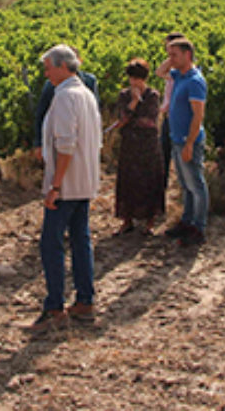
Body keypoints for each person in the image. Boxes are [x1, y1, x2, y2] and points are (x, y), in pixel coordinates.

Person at [33, 44, 101, 331]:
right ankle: (85, 300)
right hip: (85, 182)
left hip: (67, 185)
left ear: (63, 66)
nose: (46, 72)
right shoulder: (86, 94)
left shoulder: (64, 98)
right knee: (81, 240)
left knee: (51, 243)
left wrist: (55, 186)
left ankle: (54, 306)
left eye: (48, 66)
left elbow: (66, 144)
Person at [163, 38, 209, 246]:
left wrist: (190, 143)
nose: (170, 59)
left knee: (196, 185)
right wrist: (172, 59)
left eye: (174, 55)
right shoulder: (178, 75)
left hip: (188, 141)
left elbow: (198, 116)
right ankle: (187, 221)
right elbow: (159, 72)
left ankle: (198, 228)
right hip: (177, 139)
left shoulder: (194, 81)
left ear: (187, 55)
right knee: (186, 185)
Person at [113, 58, 164, 236]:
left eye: (137, 79)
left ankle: (149, 222)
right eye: (132, 78)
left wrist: (130, 118)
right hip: (129, 144)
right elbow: (122, 118)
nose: (134, 82)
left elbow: (149, 120)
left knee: (149, 180)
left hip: (148, 145)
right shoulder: (124, 95)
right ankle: (127, 220)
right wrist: (133, 103)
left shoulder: (152, 96)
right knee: (128, 180)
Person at [32, 46, 99, 162]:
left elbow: (95, 112)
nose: (46, 74)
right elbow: (41, 113)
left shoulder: (86, 83)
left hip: (81, 141)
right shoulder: (51, 85)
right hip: (60, 140)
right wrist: (39, 143)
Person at [154, 32, 186, 190]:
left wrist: (174, 57)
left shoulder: (183, 71)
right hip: (168, 116)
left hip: (180, 118)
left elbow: (159, 72)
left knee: (181, 160)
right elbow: (159, 72)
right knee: (163, 157)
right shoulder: (173, 71)